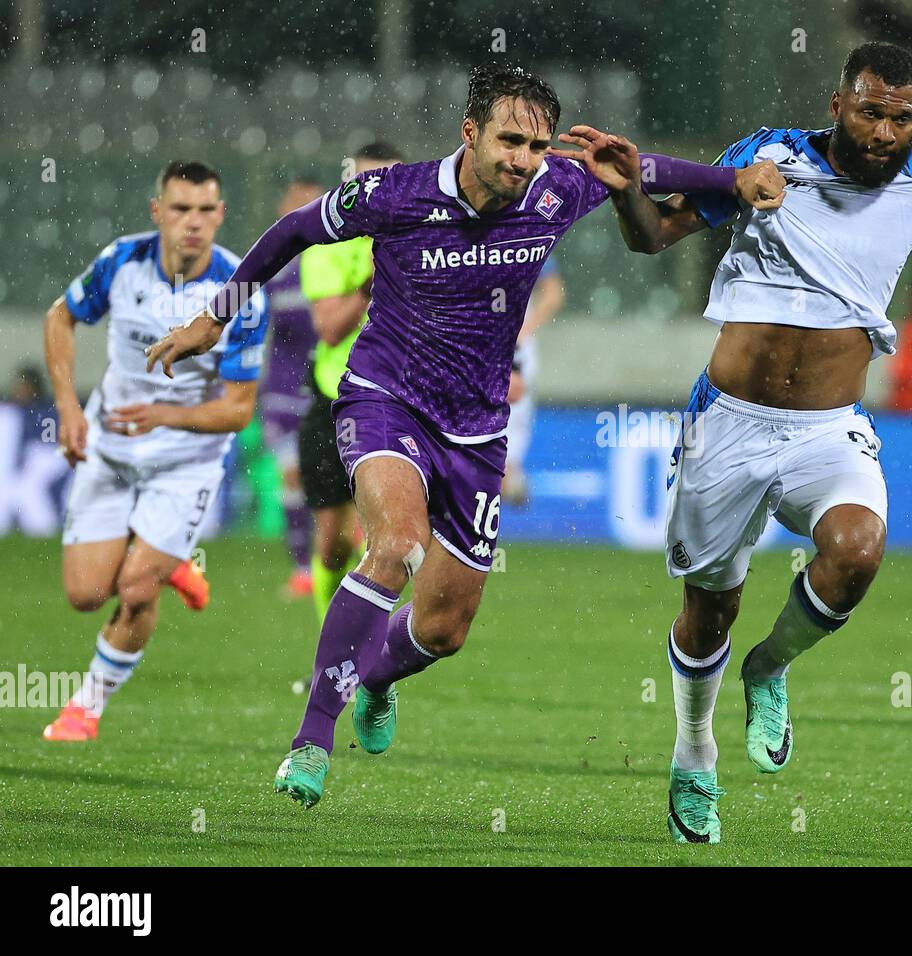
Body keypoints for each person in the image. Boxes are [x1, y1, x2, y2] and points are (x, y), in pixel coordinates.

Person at [143, 63, 785, 807]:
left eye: (538, 144)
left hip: (477, 429)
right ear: (470, 132)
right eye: (510, 139)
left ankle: (376, 681)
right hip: (385, 399)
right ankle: (312, 740)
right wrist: (214, 317)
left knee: (445, 629)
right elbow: (293, 231)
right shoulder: (397, 193)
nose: (522, 158)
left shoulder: (556, 185)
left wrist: (731, 182)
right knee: (395, 543)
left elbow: (648, 169)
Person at [594, 41, 912, 842]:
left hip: (828, 430)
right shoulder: (769, 160)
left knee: (857, 551)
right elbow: (654, 236)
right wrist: (625, 196)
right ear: (837, 106)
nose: (887, 130)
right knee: (709, 610)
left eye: (902, 116)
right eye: (870, 110)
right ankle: (693, 753)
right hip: (728, 423)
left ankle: (772, 667)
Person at [41, 160, 266, 741]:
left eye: (205, 210)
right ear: (157, 212)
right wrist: (68, 407)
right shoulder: (122, 262)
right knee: (85, 595)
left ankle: (84, 708)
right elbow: (60, 317)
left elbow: (239, 411)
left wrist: (162, 416)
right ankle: (172, 561)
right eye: (180, 209)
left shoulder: (239, 288)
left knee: (135, 588)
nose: (193, 222)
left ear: (220, 215)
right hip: (111, 449)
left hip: (186, 461)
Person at [297, 143, 404, 623]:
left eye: (388, 181)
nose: (376, 194)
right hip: (335, 398)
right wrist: (370, 283)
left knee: (393, 542)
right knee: (334, 543)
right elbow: (329, 328)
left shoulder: (427, 238)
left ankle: (366, 654)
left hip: (400, 401)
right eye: (366, 182)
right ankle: (332, 645)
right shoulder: (328, 245)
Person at [260, 176, 325, 598]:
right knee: (293, 477)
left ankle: (336, 563)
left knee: (335, 485)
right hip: (283, 390)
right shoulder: (270, 264)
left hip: (328, 389)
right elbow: (253, 327)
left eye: (309, 203)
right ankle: (303, 567)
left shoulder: (336, 259)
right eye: (294, 202)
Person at [503, 256, 565, 504]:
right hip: (468, 340)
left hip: (513, 347)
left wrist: (522, 332)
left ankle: (506, 470)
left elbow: (553, 293)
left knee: (512, 411)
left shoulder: (529, 228)